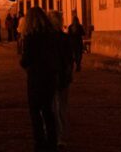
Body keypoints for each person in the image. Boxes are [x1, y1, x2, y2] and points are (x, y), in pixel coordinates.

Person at [20, 7, 62, 151]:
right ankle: (52, 141)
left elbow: (25, 60)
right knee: (48, 111)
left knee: (35, 112)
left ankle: (40, 142)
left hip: (35, 79)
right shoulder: (51, 35)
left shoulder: (30, 37)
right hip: (50, 78)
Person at [49, 11, 74, 148]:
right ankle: (61, 136)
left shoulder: (46, 39)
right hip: (63, 77)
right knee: (62, 108)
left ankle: (52, 134)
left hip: (51, 77)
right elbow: (70, 59)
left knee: (52, 107)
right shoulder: (65, 38)